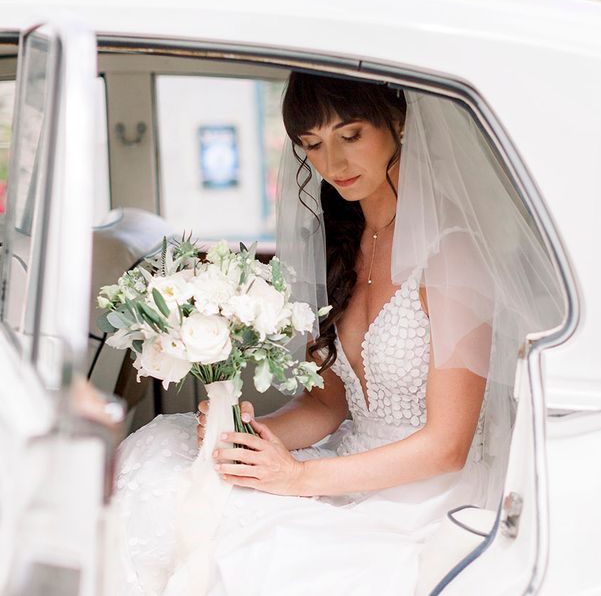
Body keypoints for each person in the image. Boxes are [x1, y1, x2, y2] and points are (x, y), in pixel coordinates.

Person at [111, 72, 565, 596]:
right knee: (166, 461)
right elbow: (326, 407)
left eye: (350, 136)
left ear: (398, 123)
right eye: (312, 145)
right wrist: (252, 441)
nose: (332, 164)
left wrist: (298, 479)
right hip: (347, 461)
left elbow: (447, 447)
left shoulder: (453, 254)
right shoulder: (343, 246)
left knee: (259, 556)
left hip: (424, 493)